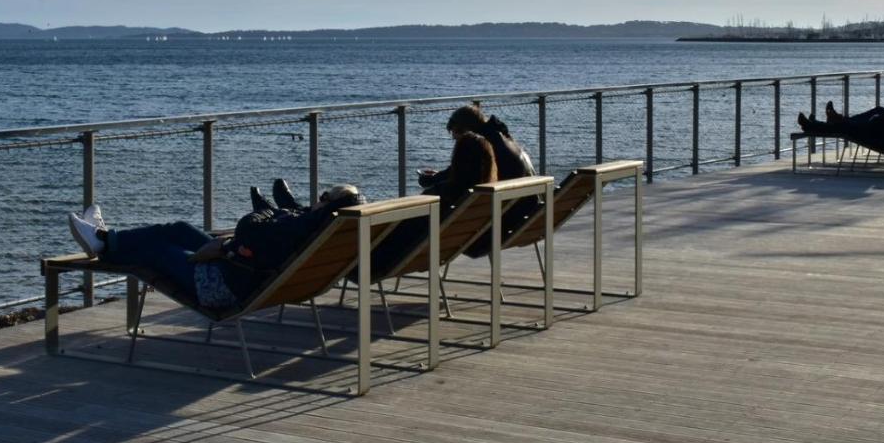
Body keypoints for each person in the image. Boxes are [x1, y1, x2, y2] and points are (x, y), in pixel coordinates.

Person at [67, 182, 363, 311]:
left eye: (324, 196)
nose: (318, 198)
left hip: (225, 283)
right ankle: (106, 239)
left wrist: (264, 215)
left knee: (158, 249)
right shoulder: (321, 228)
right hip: (243, 268)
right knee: (179, 229)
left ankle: (104, 242)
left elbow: (248, 228)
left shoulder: (300, 227)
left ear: (327, 206)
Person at [369, 131, 498, 276]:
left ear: (457, 161)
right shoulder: (483, 197)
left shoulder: (440, 196)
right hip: (438, 252)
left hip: (387, 257)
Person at [417, 104, 539, 259]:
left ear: (466, 131)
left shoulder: (482, 145)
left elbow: (459, 178)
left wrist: (431, 181)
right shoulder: (504, 140)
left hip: (500, 225)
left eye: (458, 139)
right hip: (526, 217)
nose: (457, 145)